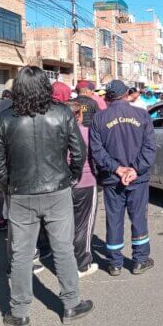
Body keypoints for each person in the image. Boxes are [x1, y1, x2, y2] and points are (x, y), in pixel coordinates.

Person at [0, 66, 92, 326]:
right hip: (57, 190)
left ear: (19, 88)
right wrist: (72, 177)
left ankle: (19, 312)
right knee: (63, 248)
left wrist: (7, 187)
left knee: (21, 254)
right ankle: (71, 303)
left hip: (20, 193)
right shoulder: (62, 113)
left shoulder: (6, 118)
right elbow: (78, 152)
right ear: (45, 86)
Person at [90, 80, 157, 276]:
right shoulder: (142, 114)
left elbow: (96, 150)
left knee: (114, 219)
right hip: (138, 179)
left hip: (113, 179)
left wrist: (117, 169)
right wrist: (135, 170)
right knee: (138, 218)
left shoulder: (99, 118)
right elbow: (150, 148)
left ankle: (115, 263)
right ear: (127, 93)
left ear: (108, 96)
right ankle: (140, 260)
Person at [67, 101, 99, 278]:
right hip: (86, 181)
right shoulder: (86, 133)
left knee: (66, 224)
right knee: (84, 225)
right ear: (79, 115)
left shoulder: (56, 133)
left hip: (63, 184)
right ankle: (82, 264)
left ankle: (66, 261)